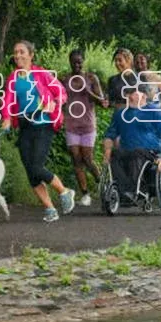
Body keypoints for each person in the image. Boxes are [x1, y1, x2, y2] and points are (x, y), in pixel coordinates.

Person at [1, 40, 75, 223]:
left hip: (43, 123)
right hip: (25, 125)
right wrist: (7, 118)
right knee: (30, 171)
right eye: (15, 52)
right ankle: (50, 208)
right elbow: (7, 100)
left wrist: (54, 103)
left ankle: (64, 191)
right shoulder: (13, 77)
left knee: (37, 166)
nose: (18, 55)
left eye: (22, 52)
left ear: (31, 54)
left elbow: (61, 92)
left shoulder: (41, 73)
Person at [103, 80, 161, 202]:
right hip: (127, 150)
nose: (129, 96)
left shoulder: (156, 112)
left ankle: (131, 191)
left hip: (151, 152)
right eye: (128, 93)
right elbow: (110, 135)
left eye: (133, 93)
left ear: (144, 95)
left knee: (137, 153)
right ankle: (124, 191)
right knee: (115, 154)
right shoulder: (120, 114)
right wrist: (108, 151)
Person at [59, 49, 105, 206]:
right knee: (76, 159)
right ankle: (85, 194)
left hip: (87, 124)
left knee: (87, 158)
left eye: (79, 61)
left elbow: (102, 102)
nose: (77, 64)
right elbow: (56, 96)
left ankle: (101, 181)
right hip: (71, 124)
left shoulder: (91, 78)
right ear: (70, 62)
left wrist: (89, 93)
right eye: (74, 61)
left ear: (83, 61)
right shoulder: (65, 79)